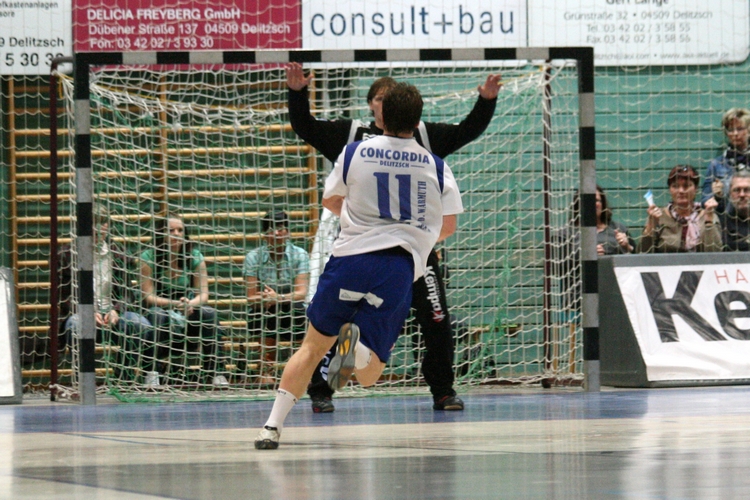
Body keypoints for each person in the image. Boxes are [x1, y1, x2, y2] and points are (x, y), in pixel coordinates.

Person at [255, 82, 464, 450]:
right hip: (397, 267)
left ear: (380, 117)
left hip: (350, 259)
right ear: (417, 122)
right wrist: (416, 234)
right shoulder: (435, 165)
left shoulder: (354, 152)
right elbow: (448, 227)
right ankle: (358, 350)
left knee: (311, 347)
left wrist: (359, 221)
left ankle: (271, 427)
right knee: (368, 375)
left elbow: (331, 200)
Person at [286, 61, 501, 413]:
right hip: (363, 250)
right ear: (371, 105)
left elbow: (466, 131)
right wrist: (297, 94)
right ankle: (323, 388)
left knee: (435, 317)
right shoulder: (353, 138)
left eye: (392, 98)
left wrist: (486, 102)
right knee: (337, 320)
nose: (386, 103)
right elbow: (306, 127)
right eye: (381, 98)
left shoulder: (423, 140)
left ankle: (442, 390)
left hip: (414, 253)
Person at [57, 205, 152, 380]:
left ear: (108, 226)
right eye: (93, 223)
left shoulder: (118, 253)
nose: (98, 228)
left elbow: (127, 293)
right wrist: (87, 311)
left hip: (113, 315)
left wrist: (116, 310)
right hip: (82, 314)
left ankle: (124, 375)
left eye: (102, 222)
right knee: (74, 326)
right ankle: (85, 378)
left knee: (140, 324)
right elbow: (64, 298)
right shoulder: (66, 255)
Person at [139, 213, 228, 387]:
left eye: (180, 230)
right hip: (160, 310)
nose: (176, 234)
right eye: (171, 230)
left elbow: (203, 294)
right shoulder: (148, 257)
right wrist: (174, 304)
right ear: (161, 234)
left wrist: (190, 304)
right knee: (157, 315)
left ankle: (216, 372)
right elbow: (148, 296)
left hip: (188, 308)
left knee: (209, 313)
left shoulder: (194, 256)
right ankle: (152, 372)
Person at [244, 211, 310, 383]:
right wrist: (267, 299)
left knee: (299, 312)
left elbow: (301, 293)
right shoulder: (253, 257)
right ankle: (266, 370)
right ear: (265, 234)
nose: (276, 233)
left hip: (291, 307)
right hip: (264, 307)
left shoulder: (300, 254)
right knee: (266, 313)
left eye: (281, 228)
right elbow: (251, 297)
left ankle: (300, 369)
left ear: (288, 232)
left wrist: (278, 297)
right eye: (271, 229)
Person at [640, 165, 722, 253]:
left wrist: (709, 223)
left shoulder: (708, 215)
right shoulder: (660, 217)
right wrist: (650, 227)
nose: (681, 191)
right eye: (675, 186)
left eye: (686, 186)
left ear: (696, 189)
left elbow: (716, 254)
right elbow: (642, 254)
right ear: (669, 189)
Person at [701, 108, 750, 205]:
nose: (735, 133)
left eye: (740, 129)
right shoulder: (716, 165)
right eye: (731, 130)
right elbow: (704, 201)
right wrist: (717, 197)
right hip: (726, 214)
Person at [718, 170, 750, 251]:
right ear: (730, 194)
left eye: (747, 190)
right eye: (737, 190)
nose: (742, 195)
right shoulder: (723, 223)